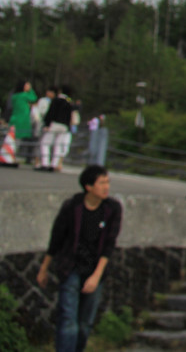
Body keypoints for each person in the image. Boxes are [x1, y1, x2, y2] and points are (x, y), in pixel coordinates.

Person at [37, 164, 122, 352]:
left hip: (95, 269)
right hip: (71, 267)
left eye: (107, 182)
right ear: (88, 187)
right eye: (102, 183)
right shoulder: (72, 207)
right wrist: (44, 268)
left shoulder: (112, 209)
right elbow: (56, 238)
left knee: (85, 323)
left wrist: (96, 276)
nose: (106, 187)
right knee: (68, 319)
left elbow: (109, 245)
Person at [41, 86, 77, 171]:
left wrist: (47, 124)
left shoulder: (57, 100)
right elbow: (70, 116)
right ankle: (54, 164)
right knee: (58, 145)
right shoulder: (69, 102)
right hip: (64, 126)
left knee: (45, 143)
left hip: (55, 124)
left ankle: (45, 163)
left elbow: (51, 112)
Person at [8, 80, 37, 163]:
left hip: (14, 118)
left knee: (12, 139)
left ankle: (10, 156)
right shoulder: (24, 95)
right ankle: (11, 157)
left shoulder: (15, 95)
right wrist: (31, 90)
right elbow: (33, 98)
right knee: (17, 140)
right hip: (21, 120)